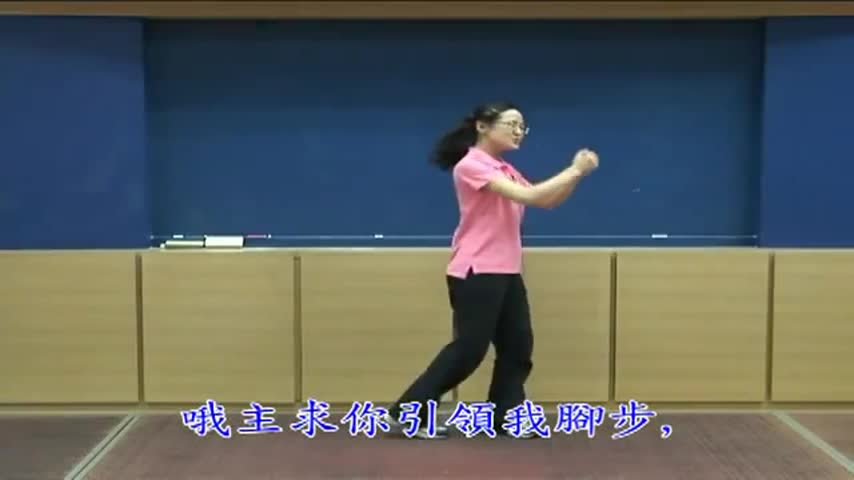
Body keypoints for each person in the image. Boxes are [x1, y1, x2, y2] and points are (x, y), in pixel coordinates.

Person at [383, 102, 599, 439]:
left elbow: (547, 200)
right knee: (469, 349)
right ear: (483, 126)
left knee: (518, 347)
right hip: (477, 269)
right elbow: (530, 195)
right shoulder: (471, 165)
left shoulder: (504, 168)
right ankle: (412, 411)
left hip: (507, 270)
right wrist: (574, 169)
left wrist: (577, 176)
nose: (518, 131)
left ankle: (505, 415)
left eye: (522, 126)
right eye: (511, 124)